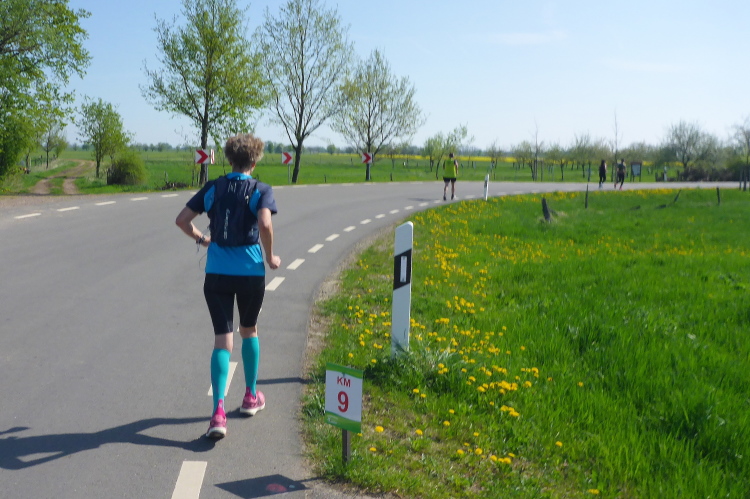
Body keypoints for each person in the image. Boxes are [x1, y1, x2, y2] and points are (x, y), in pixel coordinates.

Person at [175, 133, 281, 439]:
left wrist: (203, 239)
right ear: (255, 161)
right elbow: (264, 223)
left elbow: (182, 220)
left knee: (223, 340)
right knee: (249, 330)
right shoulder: (261, 189)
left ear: (229, 159)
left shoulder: (213, 187)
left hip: (217, 273)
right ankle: (250, 396)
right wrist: (271, 256)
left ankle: (218, 413)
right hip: (250, 272)